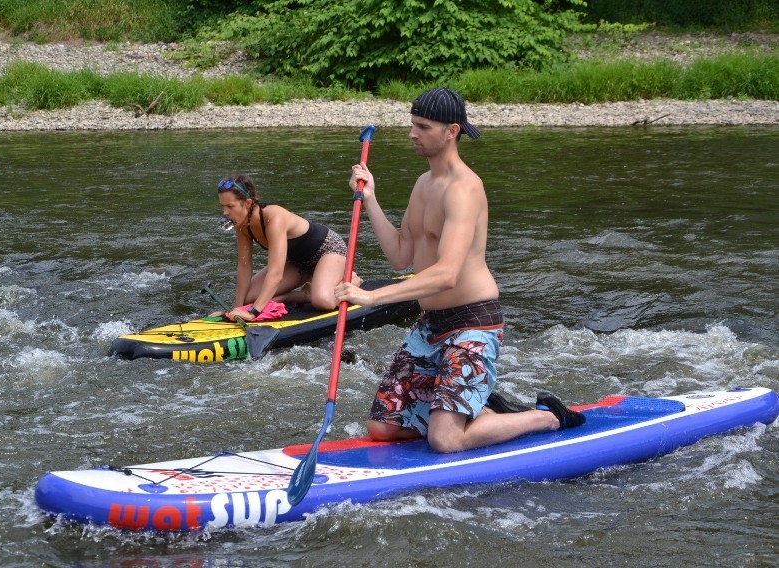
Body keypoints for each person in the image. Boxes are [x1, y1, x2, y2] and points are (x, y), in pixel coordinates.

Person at [335, 87, 584, 453]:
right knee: (382, 428)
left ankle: (545, 416)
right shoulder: (423, 184)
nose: (412, 134)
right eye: (412, 125)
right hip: (431, 326)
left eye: (422, 127)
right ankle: (473, 410)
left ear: (451, 131)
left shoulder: (465, 190)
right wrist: (370, 199)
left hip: (473, 324)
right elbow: (400, 255)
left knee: (445, 440)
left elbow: (447, 273)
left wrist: (370, 297)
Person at [215, 173, 359, 321]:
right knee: (249, 299)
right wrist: (238, 309)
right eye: (223, 206)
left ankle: (352, 281)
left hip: (328, 251)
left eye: (230, 206)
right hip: (297, 263)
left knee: (323, 302)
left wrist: (253, 312)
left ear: (247, 203)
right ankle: (305, 294)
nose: (225, 213)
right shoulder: (242, 224)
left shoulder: (274, 217)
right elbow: (244, 266)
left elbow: (275, 273)